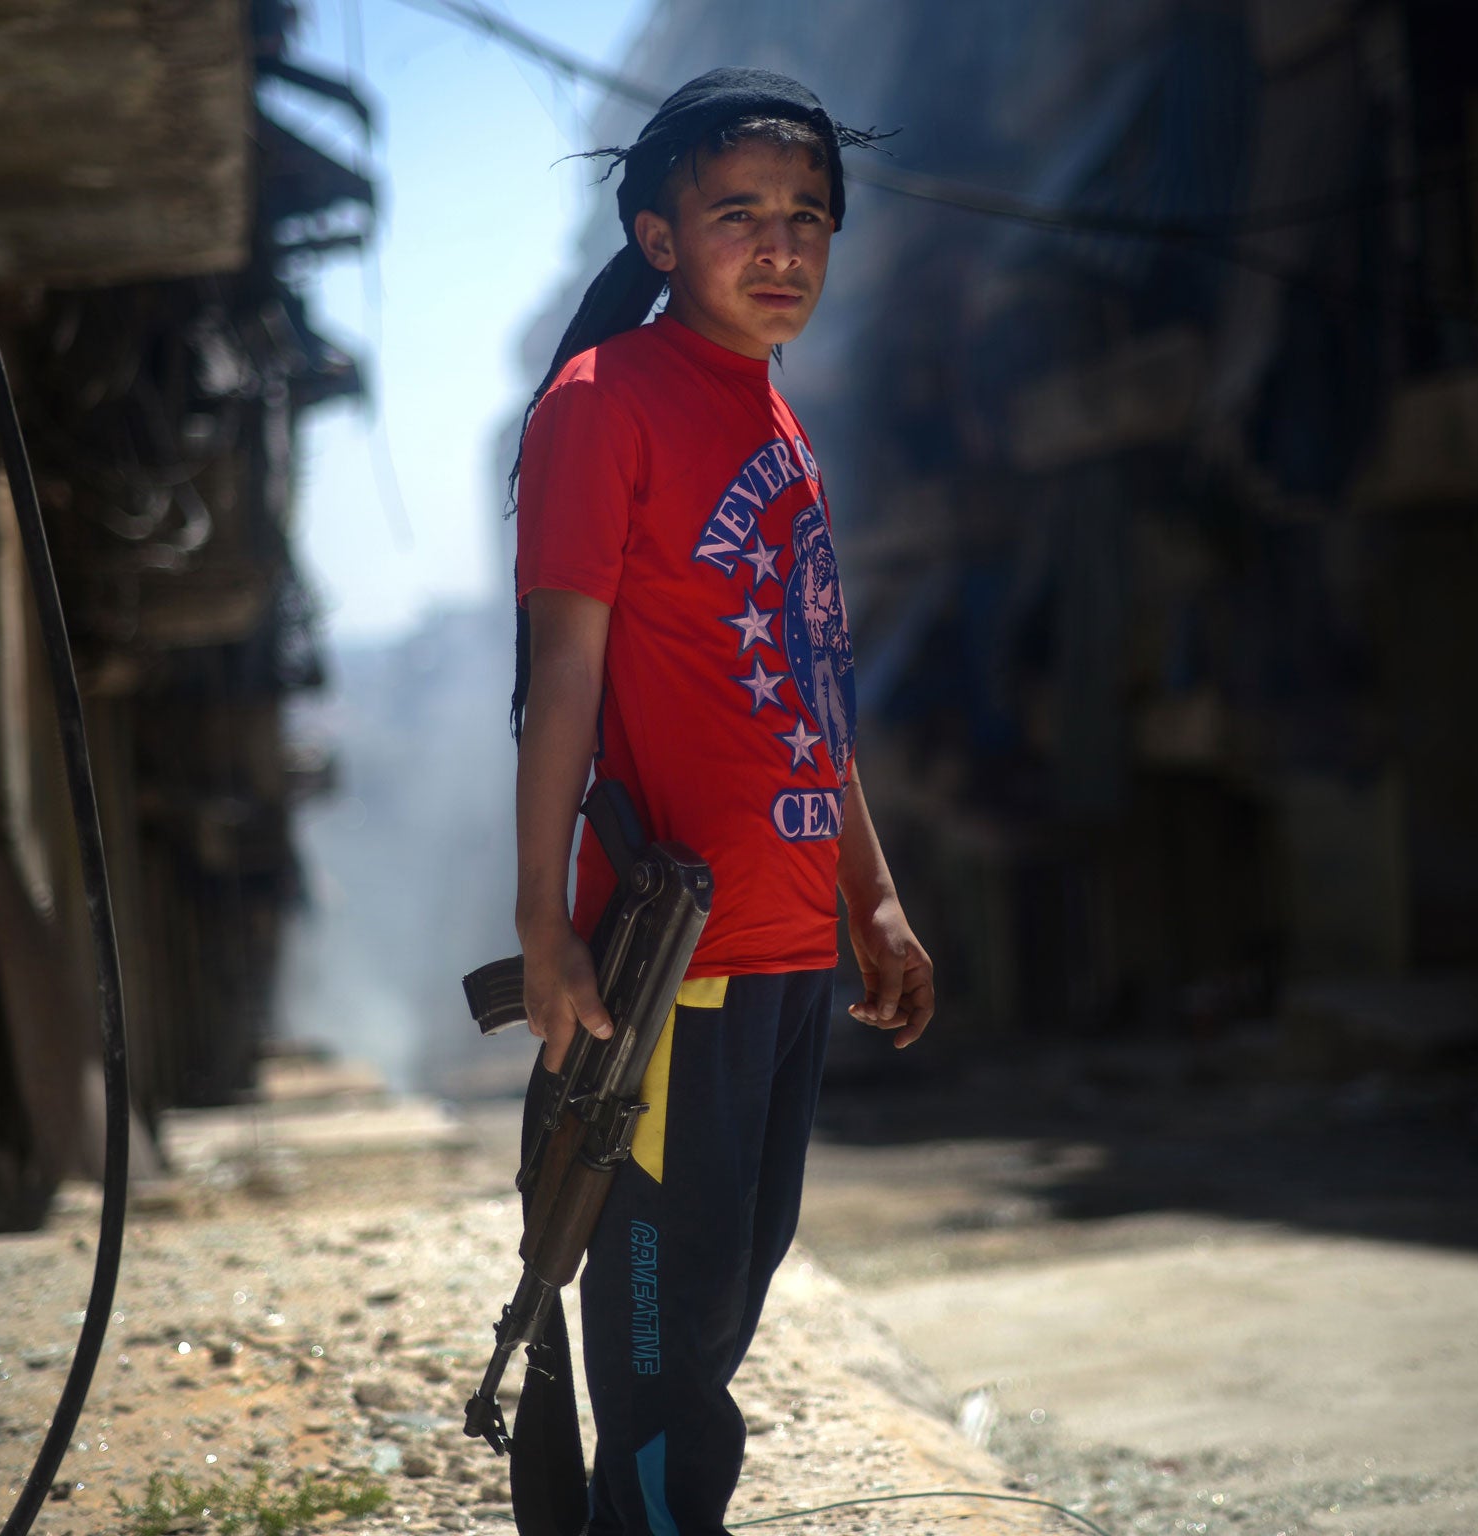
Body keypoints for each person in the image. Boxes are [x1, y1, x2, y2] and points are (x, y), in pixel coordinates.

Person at [509, 67, 935, 1536]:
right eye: (738, 214)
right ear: (658, 237)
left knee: (724, 1305)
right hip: (671, 968)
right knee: (658, 1351)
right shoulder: (600, 405)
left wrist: (872, 895)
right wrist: (542, 924)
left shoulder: (777, 424)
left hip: (790, 943)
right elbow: (562, 676)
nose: (780, 246)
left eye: (808, 216)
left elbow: (812, 691)